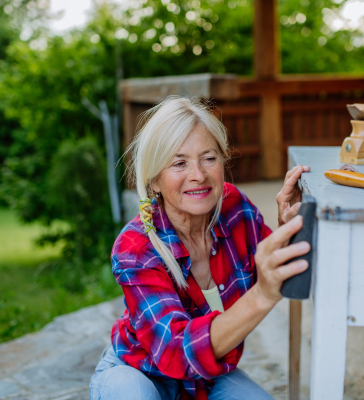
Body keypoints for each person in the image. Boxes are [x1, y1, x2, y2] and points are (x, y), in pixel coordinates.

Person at [89, 97, 311, 400]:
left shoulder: (235, 208)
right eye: (179, 163)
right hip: (139, 372)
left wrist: (291, 230)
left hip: (206, 379)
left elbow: (277, 269)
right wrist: (262, 295)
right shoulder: (136, 247)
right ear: (154, 180)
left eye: (209, 158)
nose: (198, 174)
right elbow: (176, 352)